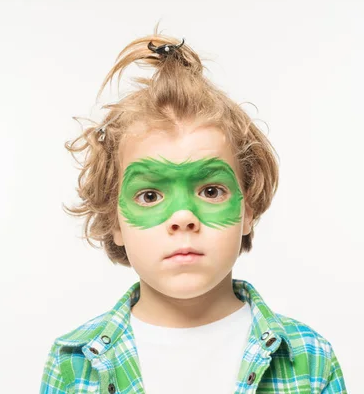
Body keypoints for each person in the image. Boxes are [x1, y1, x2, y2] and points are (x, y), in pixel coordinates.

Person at [39, 24, 347, 394]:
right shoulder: (73, 364)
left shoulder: (310, 360)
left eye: (211, 190)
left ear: (247, 209)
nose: (183, 217)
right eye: (150, 196)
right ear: (113, 219)